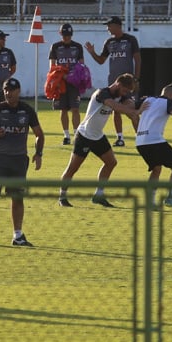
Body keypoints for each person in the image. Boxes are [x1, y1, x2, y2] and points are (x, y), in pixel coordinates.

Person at [0, 78, 44, 247]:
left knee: (17, 197)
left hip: (19, 160)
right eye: (6, 90)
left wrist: (38, 153)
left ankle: (18, 235)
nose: (8, 93)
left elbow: (39, 134)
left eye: (11, 90)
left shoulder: (27, 111)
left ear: (18, 91)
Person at [58, 73, 139, 208]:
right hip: (84, 135)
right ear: (118, 84)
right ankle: (62, 196)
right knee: (73, 168)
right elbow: (115, 107)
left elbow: (131, 106)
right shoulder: (102, 93)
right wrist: (132, 111)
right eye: (125, 90)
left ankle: (99, 195)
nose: (125, 94)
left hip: (98, 136)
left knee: (111, 162)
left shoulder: (120, 95)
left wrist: (139, 109)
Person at [85, 16, 141, 147]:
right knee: (115, 110)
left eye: (109, 25)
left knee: (131, 108)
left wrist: (136, 79)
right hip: (114, 83)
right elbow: (101, 60)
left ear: (117, 26)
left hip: (128, 84)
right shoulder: (109, 42)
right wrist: (92, 52)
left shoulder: (130, 40)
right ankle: (120, 138)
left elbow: (138, 59)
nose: (108, 28)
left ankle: (140, 137)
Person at [48, 23, 85, 145]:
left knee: (75, 108)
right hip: (61, 81)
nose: (67, 38)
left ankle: (76, 134)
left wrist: (78, 77)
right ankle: (66, 135)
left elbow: (81, 64)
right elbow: (52, 66)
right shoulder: (55, 46)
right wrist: (59, 77)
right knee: (63, 109)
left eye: (69, 35)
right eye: (64, 35)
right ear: (60, 34)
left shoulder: (78, 47)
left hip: (74, 82)